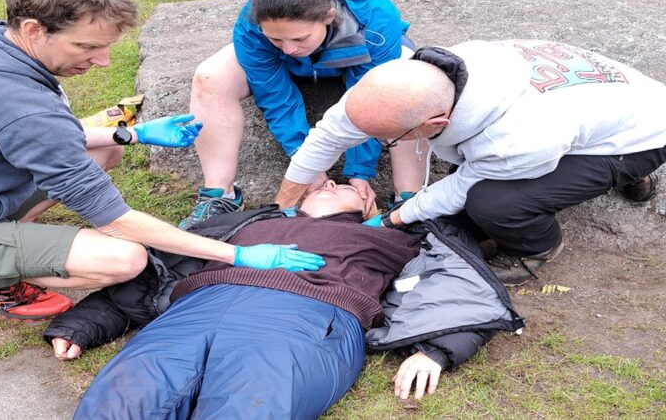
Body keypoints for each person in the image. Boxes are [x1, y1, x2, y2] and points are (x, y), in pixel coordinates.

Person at [0, 0, 325, 322]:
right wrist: (236, 256)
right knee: (125, 259)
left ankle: (8, 240)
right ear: (32, 29)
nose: (102, 62)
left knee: (107, 148)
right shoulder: (20, 105)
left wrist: (134, 133)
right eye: (86, 46)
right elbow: (113, 218)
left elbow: (34, 133)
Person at [44, 181, 524, 418]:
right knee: (119, 404)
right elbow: (165, 265)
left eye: (350, 186)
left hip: (303, 321)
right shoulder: (246, 225)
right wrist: (85, 322)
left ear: (370, 207)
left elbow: (455, 284)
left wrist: (439, 349)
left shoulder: (396, 239)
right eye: (327, 180)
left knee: (249, 409)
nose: (334, 183)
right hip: (195, 311)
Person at [275, 39, 666, 286]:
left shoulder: (515, 138)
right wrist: (284, 207)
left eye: (386, 140)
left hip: (641, 130)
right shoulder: (405, 81)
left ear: (435, 124)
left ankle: (536, 247)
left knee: (493, 203)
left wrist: (389, 220)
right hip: (591, 109)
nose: (378, 142)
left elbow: (462, 187)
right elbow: (330, 133)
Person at [179, 0, 422, 229]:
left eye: (300, 38)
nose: (288, 49)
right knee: (209, 77)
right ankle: (219, 197)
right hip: (297, 65)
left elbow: (372, 99)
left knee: (407, 86)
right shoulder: (254, 23)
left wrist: (360, 171)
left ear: (329, 17)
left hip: (365, 58)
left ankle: (409, 201)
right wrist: (308, 166)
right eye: (276, 40)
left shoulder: (376, 18)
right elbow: (275, 97)